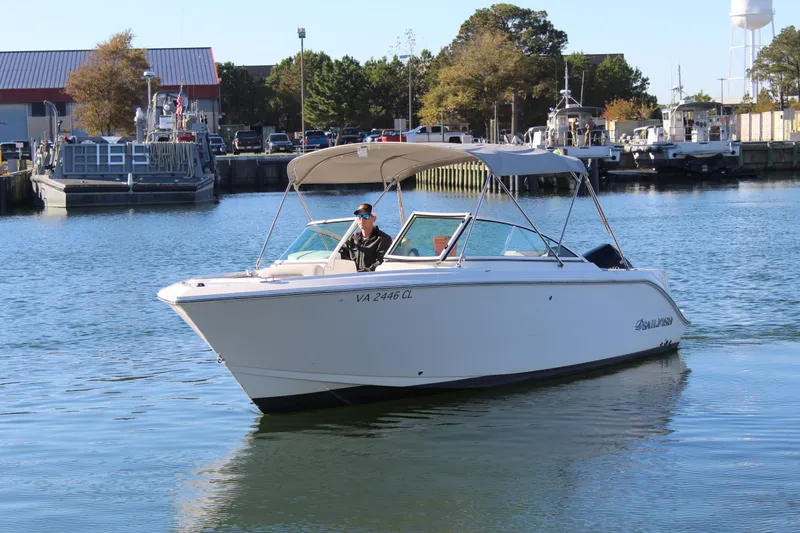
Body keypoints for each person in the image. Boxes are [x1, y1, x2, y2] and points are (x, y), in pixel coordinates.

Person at [339, 203, 393, 272]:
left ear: (374, 219)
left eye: (366, 216)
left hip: (371, 277)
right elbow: (341, 255)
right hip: (352, 275)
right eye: (359, 216)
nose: (362, 219)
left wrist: (360, 272)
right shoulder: (352, 239)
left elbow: (380, 262)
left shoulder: (383, 239)